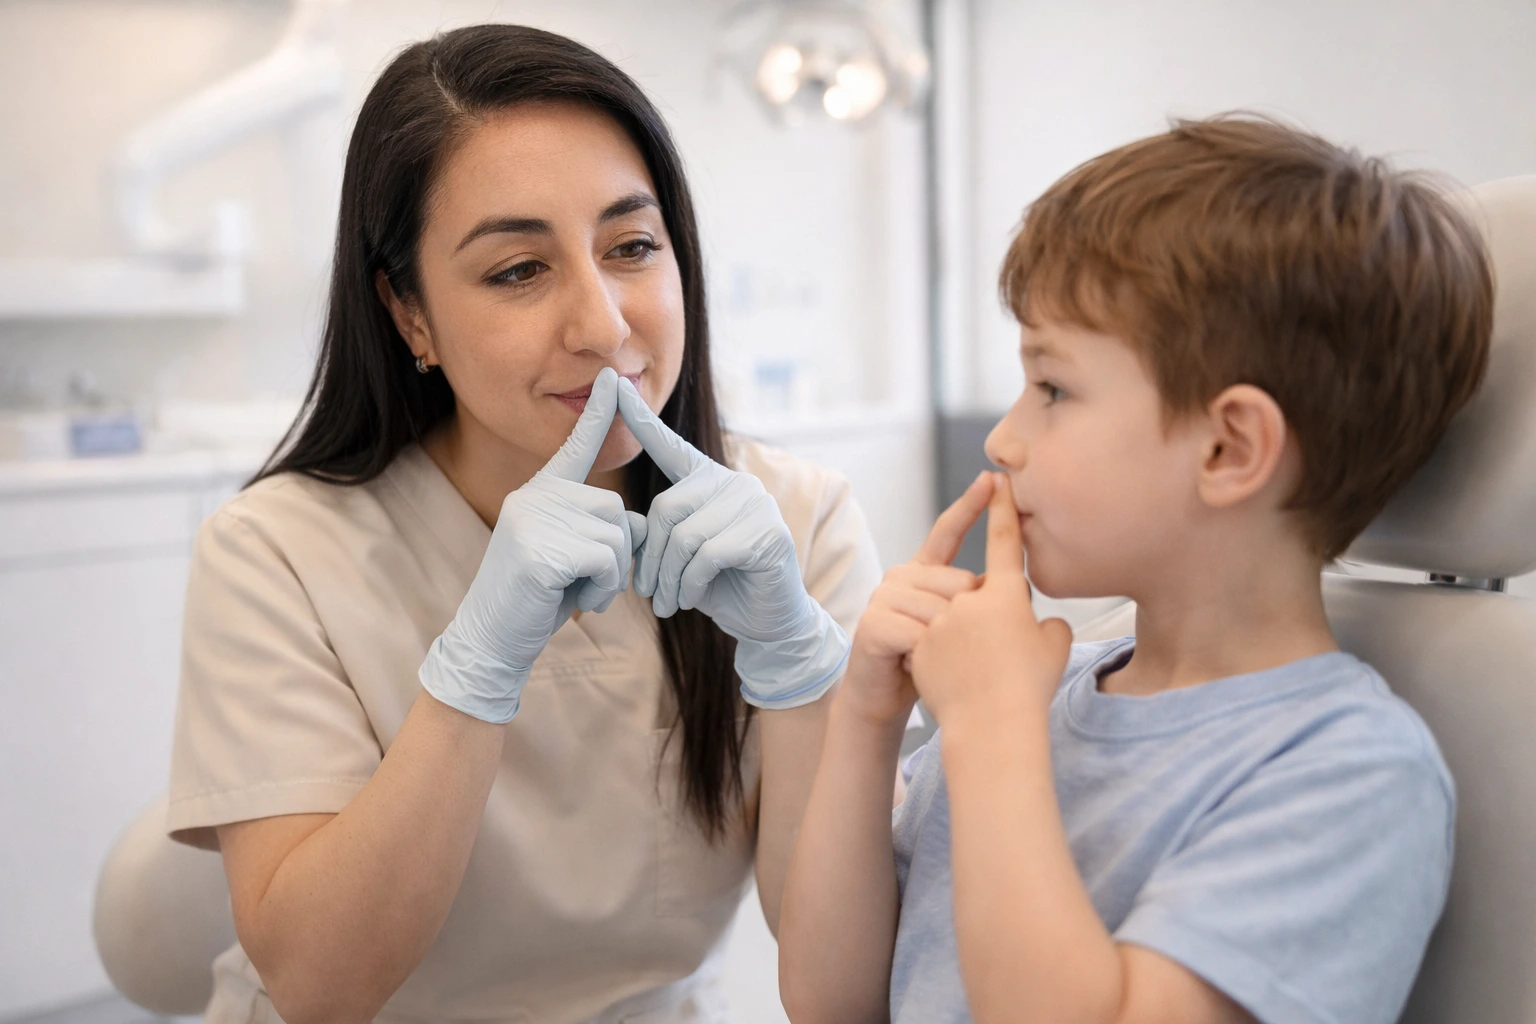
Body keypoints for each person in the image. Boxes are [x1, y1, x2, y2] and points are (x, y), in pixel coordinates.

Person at [166, 24, 881, 1024]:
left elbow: (840, 985)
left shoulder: (796, 522)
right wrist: (477, 668)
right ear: (409, 314)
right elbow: (320, 987)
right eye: (517, 272)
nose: (602, 325)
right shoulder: (276, 550)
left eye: (633, 247)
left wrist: (800, 667)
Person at [778, 114, 1492, 1024]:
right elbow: (828, 1002)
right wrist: (867, 719)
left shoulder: (1349, 771)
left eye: (1054, 389)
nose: (1005, 437)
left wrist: (994, 727)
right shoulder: (1042, 682)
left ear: (1230, 448)